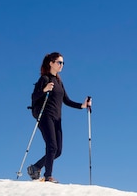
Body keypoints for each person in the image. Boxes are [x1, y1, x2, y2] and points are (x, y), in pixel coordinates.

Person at [27, 52, 91, 183]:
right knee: (52, 146)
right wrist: (44, 90)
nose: (62, 65)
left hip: (57, 118)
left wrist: (82, 106)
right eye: (59, 62)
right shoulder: (45, 79)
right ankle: (48, 176)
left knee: (58, 151)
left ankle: (36, 167)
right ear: (51, 63)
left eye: (63, 63)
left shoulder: (59, 82)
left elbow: (66, 101)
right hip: (45, 116)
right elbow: (34, 97)